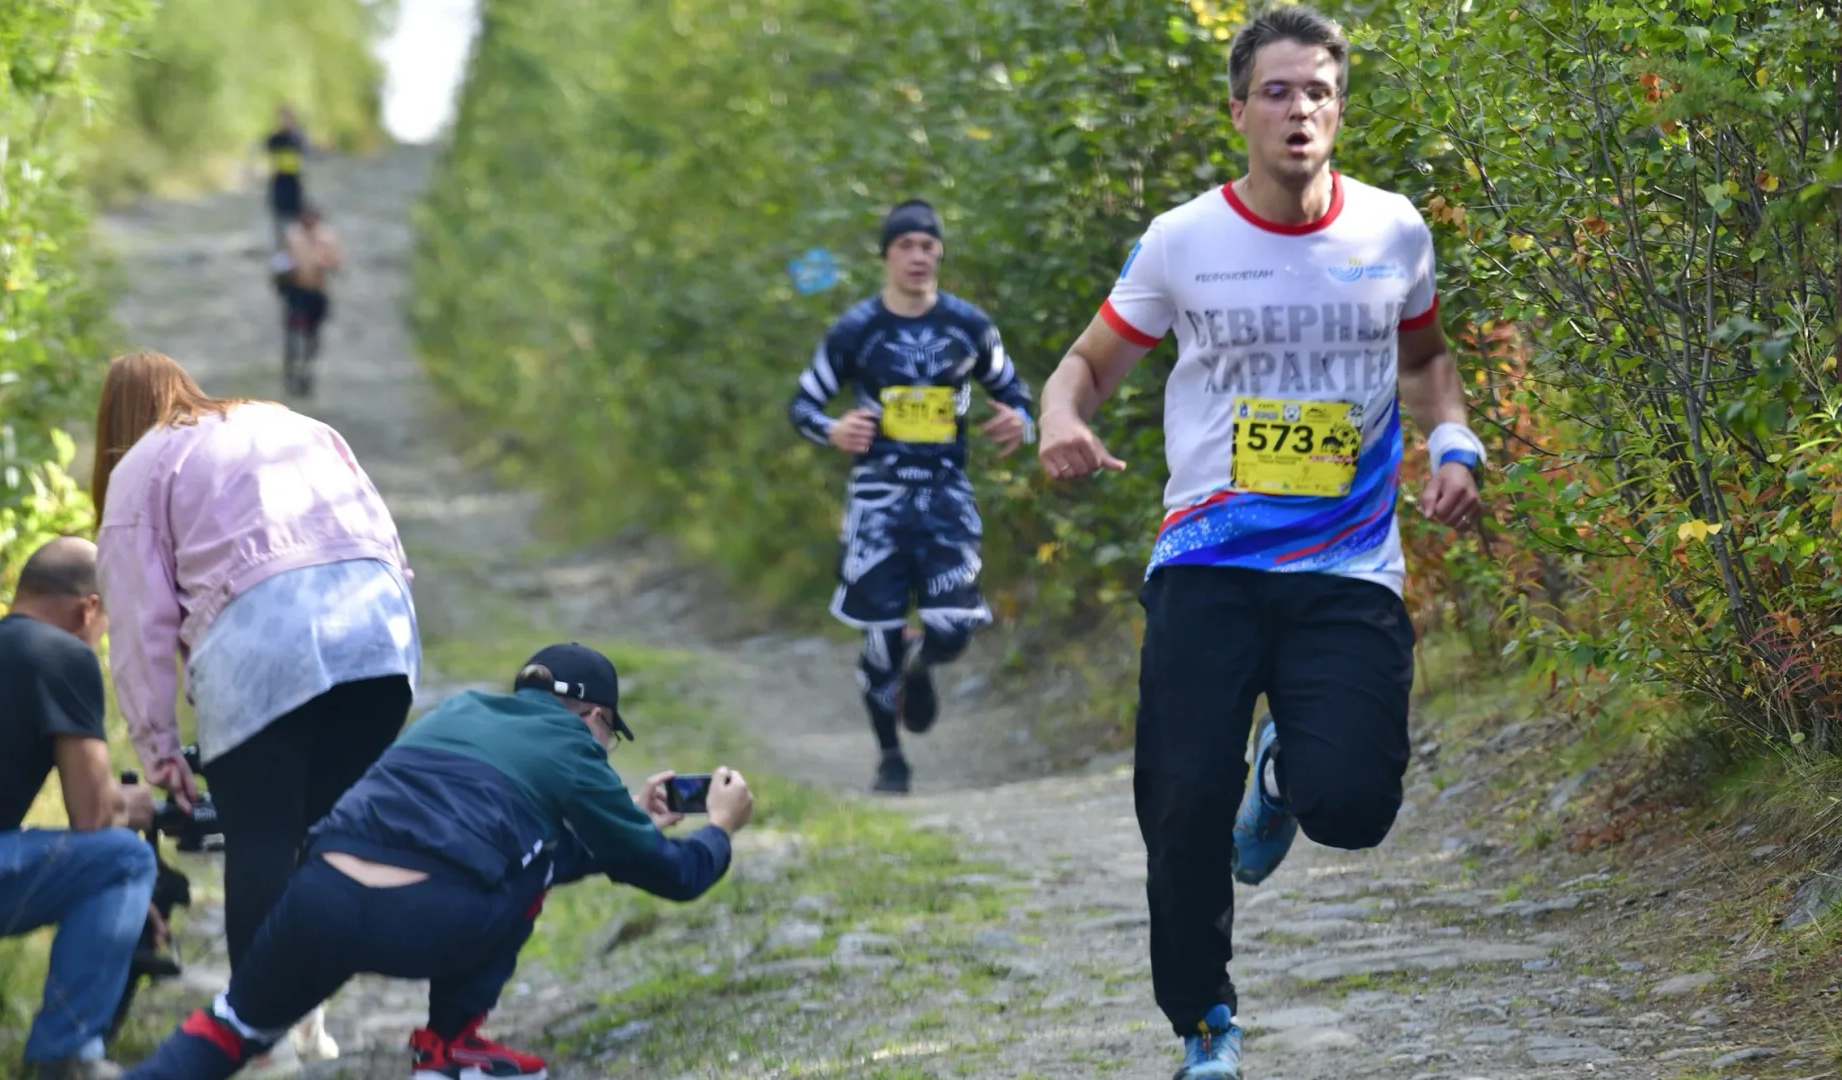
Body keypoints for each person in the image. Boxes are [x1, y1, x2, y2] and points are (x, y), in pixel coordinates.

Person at [1034, 7, 1487, 1077]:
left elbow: (1425, 363)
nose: (1300, 109)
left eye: (1319, 90)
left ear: (1340, 108)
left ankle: (1281, 780)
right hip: (1208, 563)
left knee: (1357, 808)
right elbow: (1086, 365)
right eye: (1277, 91)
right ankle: (1205, 1023)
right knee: (1181, 804)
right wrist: (1064, 419)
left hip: (1348, 565)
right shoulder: (1186, 239)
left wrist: (1453, 445)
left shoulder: (1392, 231)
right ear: (1238, 108)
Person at [124, 642, 754, 1080]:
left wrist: (632, 822)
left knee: (235, 1024)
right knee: (528, 863)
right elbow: (673, 876)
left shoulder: (459, 712)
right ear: (595, 717)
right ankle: (450, 1050)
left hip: (319, 893)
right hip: (425, 918)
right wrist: (720, 829)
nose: (605, 747)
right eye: (610, 735)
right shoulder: (574, 749)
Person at [92, 349, 419, 1066]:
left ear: (114, 424)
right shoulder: (292, 422)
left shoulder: (140, 464)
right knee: (315, 836)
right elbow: (381, 535)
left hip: (265, 641)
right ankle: (308, 1021)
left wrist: (158, 749)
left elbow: (140, 620)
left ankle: (262, 1044)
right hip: (380, 634)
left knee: (263, 837)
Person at [788, 199, 1036, 794]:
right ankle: (890, 758)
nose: (920, 256)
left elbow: (1015, 392)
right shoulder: (856, 331)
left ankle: (922, 664)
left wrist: (1020, 421)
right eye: (907, 246)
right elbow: (802, 405)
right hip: (877, 504)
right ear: (887, 256)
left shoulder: (968, 326)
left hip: (948, 498)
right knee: (877, 637)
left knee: (954, 625)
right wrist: (834, 430)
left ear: (940, 253)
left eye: (929, 245)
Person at [0, 537, 159, 1080]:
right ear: (88, 608)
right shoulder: (63, 652)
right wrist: (138, 807)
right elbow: (94, 816)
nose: (100, 639)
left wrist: (113, 905)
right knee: (124, 859)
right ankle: (65, 1057)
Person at [276, 204, 345, 397]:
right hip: (296, 291)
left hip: (316, 291)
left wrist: (324, 262)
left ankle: (306, 373)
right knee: (293, 334)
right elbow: (282, 262)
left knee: (312, 336)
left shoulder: (326, 238)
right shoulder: (293, 236)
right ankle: (290, 372)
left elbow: (337, 263)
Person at [263, 106, 307, 250]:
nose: (284, 121)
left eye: (287, 118)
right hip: (279, 181)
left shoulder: (297, 137)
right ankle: (282, 255)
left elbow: (306, 149)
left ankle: (298, 253)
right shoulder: (275, 139)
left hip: (293, 182)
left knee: (295, 220)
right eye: (282, 118)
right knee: (279, 221)